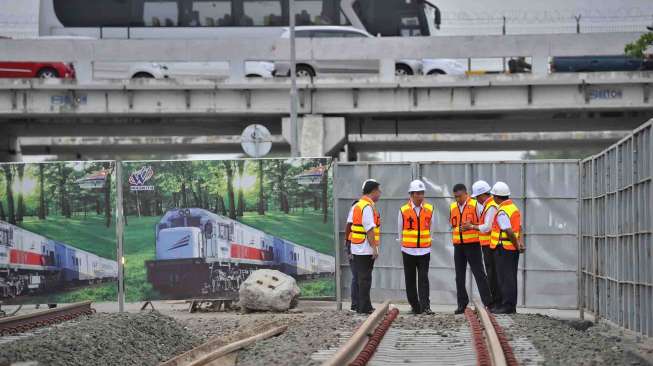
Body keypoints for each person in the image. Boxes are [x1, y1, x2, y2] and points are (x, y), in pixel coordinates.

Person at [449, 183, 492, 314]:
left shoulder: (475, 205)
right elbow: (453, 225)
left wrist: (471, 226)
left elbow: (483, 223)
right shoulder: (452, 207)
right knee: (459, 276)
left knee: (479, 273)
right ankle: (462, 304)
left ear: (466, 193)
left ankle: (488, 302)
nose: (457, 199)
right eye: (455, 197)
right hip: (458, 245)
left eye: (459, 196)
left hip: (472, 244)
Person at [397, 180, 434, 315]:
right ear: (411, 195)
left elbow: (432, 228)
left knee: (424, 279)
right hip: (408, 250)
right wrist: (404, 244)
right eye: (417, 193)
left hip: (424, 250)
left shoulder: (430, 209)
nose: (420, 196)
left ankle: (425, 307)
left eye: (422, 193)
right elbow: (399, 230)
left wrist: (428, 242)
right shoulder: (403, 210)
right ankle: (415, 306)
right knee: (410, 279)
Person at [463, 180, 500, 307]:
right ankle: (494, 302)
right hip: (487, 245)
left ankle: (495, 302)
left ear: (482, 195)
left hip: (490, 246)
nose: (477, 200)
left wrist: (472, 226)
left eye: (477, 197)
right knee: (491, 273)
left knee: (492, 274)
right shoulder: (488, 205)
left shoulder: (490, 206)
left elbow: (487, 227)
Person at [489, 181, 525, 314]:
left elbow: (509, 231)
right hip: (510, 249)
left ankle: (507, 306)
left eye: (493, 196)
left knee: (505, 278)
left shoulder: (502, 211)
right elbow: (520, 228)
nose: (492, 198)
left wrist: (517, 245)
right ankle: (507, 305)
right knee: (509, 277)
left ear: (497, 197)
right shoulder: (513, 208)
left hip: (504, 248)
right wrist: (520, 244)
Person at [347, 179, 382, 314]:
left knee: (363, 278)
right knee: (364, 278)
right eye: (379, 190)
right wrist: (374, 248)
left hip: (359, 246)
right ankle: (364, 307)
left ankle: (365, 305)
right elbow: (369, 229)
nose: (380, 193)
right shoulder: (366, 207)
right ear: (373, 191)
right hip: (364, 248)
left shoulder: (360, 205)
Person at [344, 200, 359, 312]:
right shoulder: (355, 210)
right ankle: (355, 304)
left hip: (358, 246)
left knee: (360, 276)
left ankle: (360, 303)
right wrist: (348, 249)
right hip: (352, 246)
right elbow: (348, 227)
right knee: (356, 276)